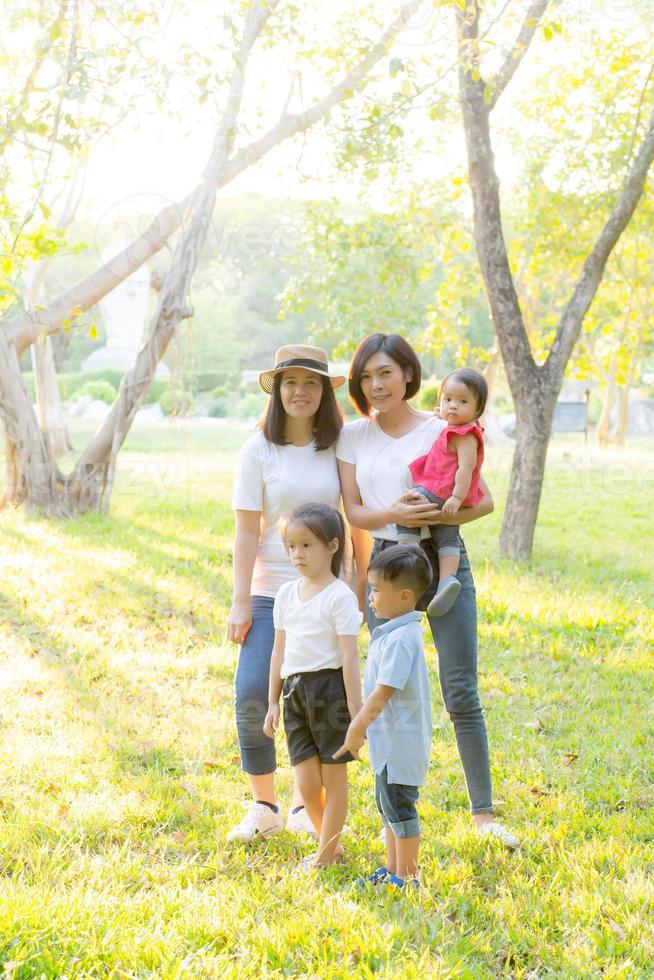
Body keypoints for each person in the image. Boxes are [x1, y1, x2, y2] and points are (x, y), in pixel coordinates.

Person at [337, 333, 519, 848]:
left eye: (386, 374)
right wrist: (393, 513)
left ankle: (482, 815)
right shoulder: (353, 436)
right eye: (367, 377)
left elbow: (481, 503)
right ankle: (392, 818)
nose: (376, 385)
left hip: (440, 562)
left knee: (460, 690)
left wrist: (440, 513)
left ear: (409, 375)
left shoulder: (444, 427)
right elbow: (353, 511)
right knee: (386, 690)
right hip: (386, 569)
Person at [227, 344, 351, 842]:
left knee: (319, 696)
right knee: (254, 689)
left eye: (311, 383)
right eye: (290, 383)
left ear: (324, 392)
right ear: (277, 391)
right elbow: (244, 530)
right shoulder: (257, 448)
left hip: (325, 591)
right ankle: (264, 805)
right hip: (269, 589)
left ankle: (305, 805)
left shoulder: (339, 444)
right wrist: (240, 598)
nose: (301, 392)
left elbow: (351, 519)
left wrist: (355, 584)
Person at [264, 503, 362, 870]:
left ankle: (324, 855)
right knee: (306, 781)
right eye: (292, 546)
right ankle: (330, 845)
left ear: (332, 546)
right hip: (294, 693)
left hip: (330, 692)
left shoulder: (340, 597)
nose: (297, 554)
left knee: (333, 777)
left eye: (307, 546)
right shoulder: (287, 595)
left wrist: (356, 711)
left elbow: (349, 658)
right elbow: (278, 651)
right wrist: (272, 702)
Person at [334, 544, 433, 888]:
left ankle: (408, 875)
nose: (370, 597)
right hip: (388, 744)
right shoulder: (394, 632)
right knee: (388, 807)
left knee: (401, 810)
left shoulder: (402, 639)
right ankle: (393, 869)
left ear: (405, 596)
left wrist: (356, 727)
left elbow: (383, 692)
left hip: (399, 746)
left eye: (376, 590)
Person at [396, 368, 488, 618]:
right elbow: (448, 415)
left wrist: (457, 497)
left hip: (441, 489)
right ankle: (446, 582)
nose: (453, 407)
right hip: (448, 498)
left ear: (477, 409)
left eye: (462, 402)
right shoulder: (459, 426)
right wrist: (444, 413)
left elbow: (466, 468)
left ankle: (407, 553)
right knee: (447, 536)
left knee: (411, 506)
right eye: (447, 400)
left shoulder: (466, 436)